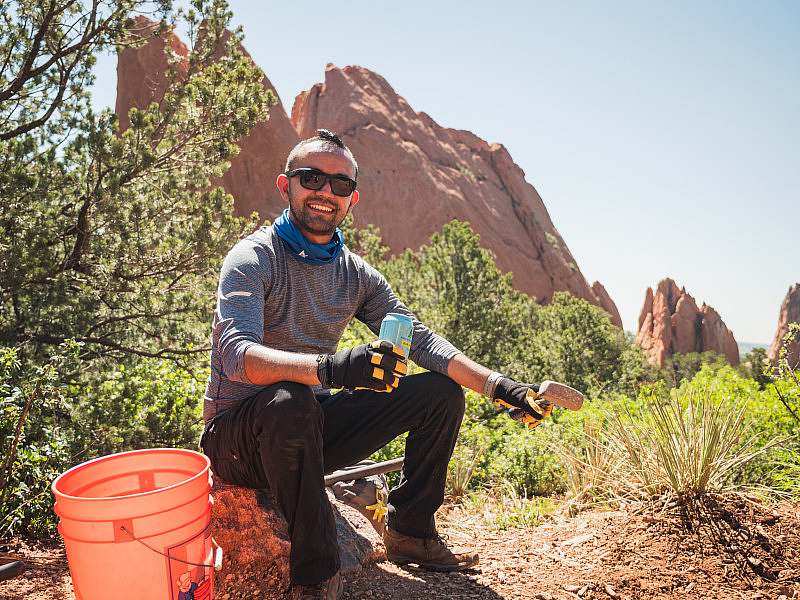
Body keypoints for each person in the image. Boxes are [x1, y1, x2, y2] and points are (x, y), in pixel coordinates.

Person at [201, 129, 551, 600]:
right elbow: (235, 354)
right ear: (286, 186)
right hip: (238, 440)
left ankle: (411, 531)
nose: (325, 192)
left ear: (353, 200)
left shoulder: (356, 274)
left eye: (339, 185)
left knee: (437, 393)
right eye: (312, 178)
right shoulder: (253, 257)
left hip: (309, 429)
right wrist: (333, 367)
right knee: (292, 399)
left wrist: (499, 386)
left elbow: (419, 338)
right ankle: (314, 575)